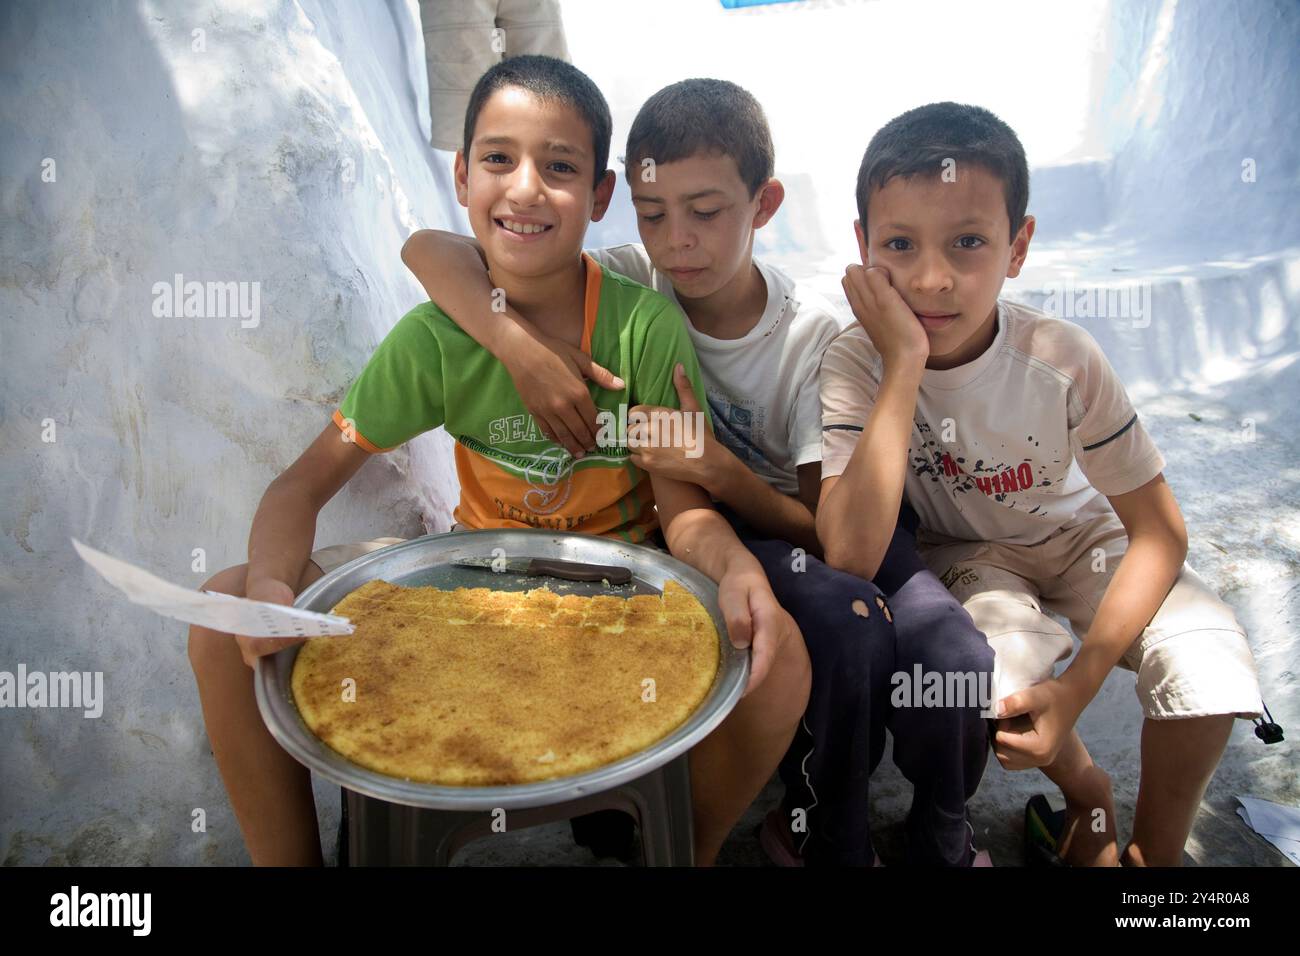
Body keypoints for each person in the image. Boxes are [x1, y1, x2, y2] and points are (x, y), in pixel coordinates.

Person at [188, 56, 809, 867]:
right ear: (460, 174)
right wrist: (273, 582)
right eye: (497, 159)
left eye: (558, 167)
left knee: (780, 650)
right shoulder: (435, 339)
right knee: (221, 609)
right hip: (468, 585)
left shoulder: (642, 327)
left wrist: (733, 567)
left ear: (599, 196)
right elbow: (303, 482)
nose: (523, 189)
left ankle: (676, 848)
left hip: (615, 594)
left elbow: (682, 510)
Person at [402, 79, 994, 867]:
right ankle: (819, 824)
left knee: (941, 651)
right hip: (713, 534)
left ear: (765, 202)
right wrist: (516, 345)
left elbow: (829, 532)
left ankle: (924, 826)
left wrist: (719, 470)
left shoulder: (807, 335)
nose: (677, 240)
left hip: (812, 518)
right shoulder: (628, 284)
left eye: (706, 213)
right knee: (847, 621)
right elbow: (428, 250)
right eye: (653, 214)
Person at [817, 101, 1264, 866]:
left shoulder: (1061, 355)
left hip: (1082, 539)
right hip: (974, 557)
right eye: (899, 244)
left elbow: (1158, 532)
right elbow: (851, 554)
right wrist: (904, 363)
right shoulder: (857, 363)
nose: (932, 278)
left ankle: (1150, 860)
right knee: (995, 677)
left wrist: (1083, 684)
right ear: (862, 248)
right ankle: (1086, 797)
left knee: (1209, 659)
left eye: (969, 242)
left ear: (1018, 246)